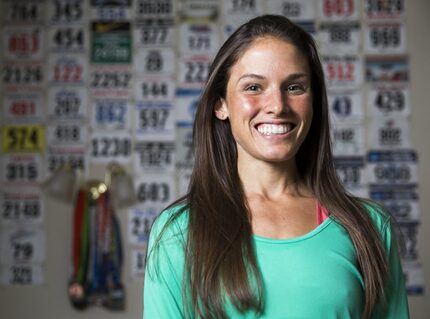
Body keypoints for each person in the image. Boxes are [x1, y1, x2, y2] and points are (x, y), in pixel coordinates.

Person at [143, 15, 409, 318]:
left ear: (314, 101)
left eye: (295, 87)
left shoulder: (370, 227)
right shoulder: (178, 231)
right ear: (221, 105)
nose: (278, 105)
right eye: (254, 87)